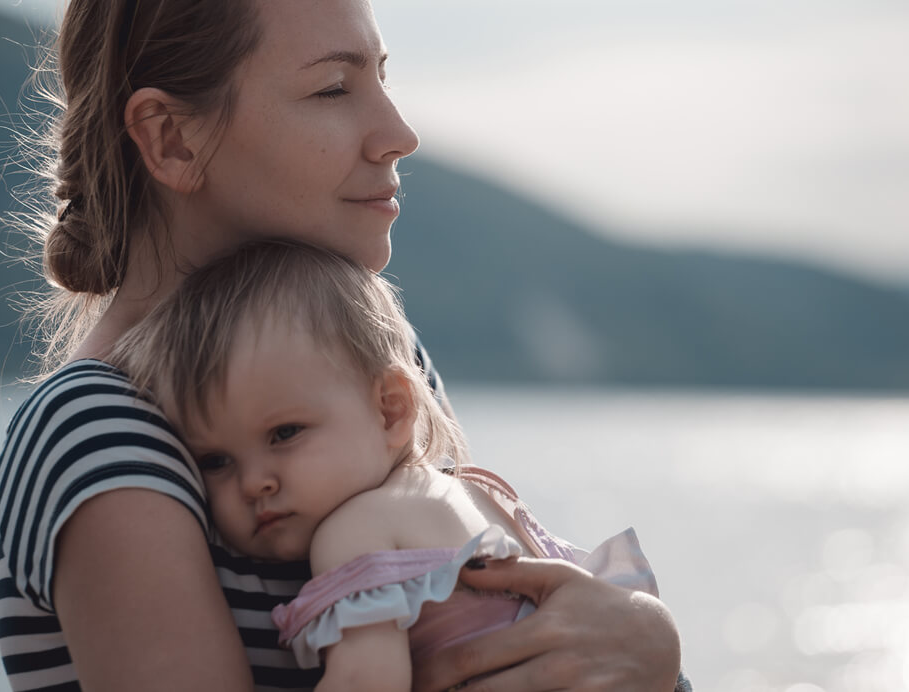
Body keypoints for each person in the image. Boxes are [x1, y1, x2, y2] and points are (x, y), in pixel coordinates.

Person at [0, 0, 683, 692]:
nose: (397, 133)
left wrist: (650, 655)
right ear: (171, 138)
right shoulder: (100, 430)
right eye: (332, 88)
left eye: (381, 78)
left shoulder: (363, 361)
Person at [109, 238, 683, 692]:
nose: (254, 481)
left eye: (285, 433)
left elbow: (368, 680)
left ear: (391, 412)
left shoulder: (354, 530)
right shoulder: (480, 491)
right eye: (215, 461)